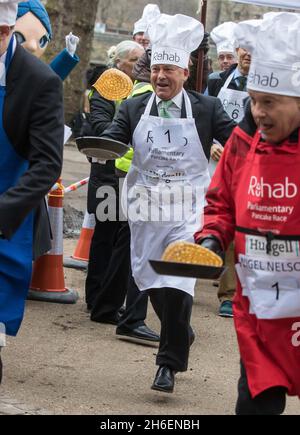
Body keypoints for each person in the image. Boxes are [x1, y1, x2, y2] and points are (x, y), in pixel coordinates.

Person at [99, 13, 236, 393]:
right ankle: (180, 332)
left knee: (177, 278)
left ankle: (167, 365)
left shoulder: (207, 108)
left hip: (188, 204)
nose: (160, 76)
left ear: (185, 71)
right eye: (156, 68)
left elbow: (239, 140)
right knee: (148, 277)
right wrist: (102, 147)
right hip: (144, 203)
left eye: (169, 70)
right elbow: (114, 135)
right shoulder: (132, 108)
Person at [195, 12, 300, 414]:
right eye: (254, 101)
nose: (258, 112)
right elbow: (220, 200)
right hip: (259, 307)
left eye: (269, 103)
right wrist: (211, 238)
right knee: (254, 402)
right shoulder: (244, 140)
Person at [0, 0, 64, 383]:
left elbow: (46, 165)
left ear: (7, 32)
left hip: (6, 222)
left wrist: (3, 211)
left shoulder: (39, 80)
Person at [86, 41, 159, 343]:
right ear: (118, 62)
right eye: (134, 60)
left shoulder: (134, 90)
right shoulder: (109, 86)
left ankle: (104, 302)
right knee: (106, 238)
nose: (137, 65)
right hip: (109, 174)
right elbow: (100, 125)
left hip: (122, 173)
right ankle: (98, 300)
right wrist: (123, 132)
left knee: (117, 238)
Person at [206, 20, 261, 318]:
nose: (247, 54)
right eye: (243, 48)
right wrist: (210, 144)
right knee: (224, 216)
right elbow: (205, 113)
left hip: (258, 162)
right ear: (236, 49)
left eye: (254, 49)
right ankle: (228, 294)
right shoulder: (217, 80)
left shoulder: (272, 85)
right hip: (221, 160)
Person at [16, 0, 79, 80]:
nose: (33, 47)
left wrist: (69, 54)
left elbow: (48, 81)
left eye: (42, 41)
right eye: (17, 37)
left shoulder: (30, 73)